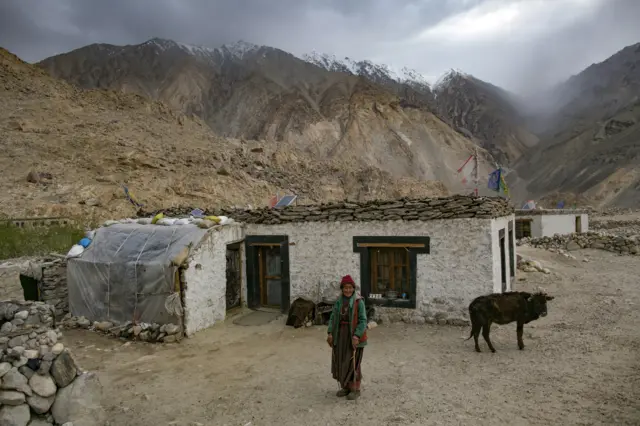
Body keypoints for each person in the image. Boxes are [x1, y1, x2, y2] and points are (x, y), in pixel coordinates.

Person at [326, 274, 368, 400]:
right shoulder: (339, 301)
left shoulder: (358, 302)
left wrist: (356, 336)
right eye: (345, 287)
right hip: (341, 335)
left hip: (354, 336)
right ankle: (346, 387)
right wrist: (330, 332)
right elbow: (333, 317)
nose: (348, 290)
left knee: (353, 362)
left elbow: (363, 320)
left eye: (350, 287)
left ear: (353, 288)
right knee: (342, 361)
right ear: (342, 288)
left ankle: (355, 389)